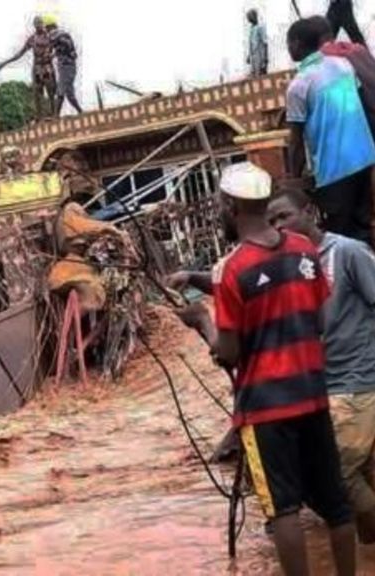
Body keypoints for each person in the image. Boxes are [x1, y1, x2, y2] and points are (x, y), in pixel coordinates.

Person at [177, 163, 356, 576]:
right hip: (313, 396)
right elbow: (321, 320)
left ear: (230, 206)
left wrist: (201, 321)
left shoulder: (232, 269)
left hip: (265, 408)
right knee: (336, 504)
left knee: (283, 509)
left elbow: (229, 353)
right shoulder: (304, 250)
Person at [268, 187, 375, 544]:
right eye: (271, 221)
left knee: (334, 473)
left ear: (309, 211)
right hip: (318, 386)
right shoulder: (290, 264)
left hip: (357, 379)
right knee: (358, 473)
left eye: (284, 216)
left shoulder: (347, 252)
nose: (279, 226)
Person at [286, 17, 375, 245]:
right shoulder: (344, 65)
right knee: (364, 226)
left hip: (333, 170)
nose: (288, 49)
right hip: (365, 160)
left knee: (340, 236)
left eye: (289, 43)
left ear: (297, 44)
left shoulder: (299, 85)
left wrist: (294, 179)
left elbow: (296, 141)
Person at [0, 15, 57, 120]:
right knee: (37, 93)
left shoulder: (50, 37)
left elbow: (59, 48)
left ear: (43, 24)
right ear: (34, 25)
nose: (38, 25)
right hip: (37, 68)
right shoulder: (32, 39)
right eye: (36, 23)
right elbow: (20, 54)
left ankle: (54, 115)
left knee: (51, 92)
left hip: (47, 67)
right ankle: (40, 117)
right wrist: (5, 63)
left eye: (40, 23)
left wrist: (53, 55)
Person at [46, 16, 83, 115]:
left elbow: (51, 43)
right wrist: (53, 55)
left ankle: (56, 116)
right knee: (70, 94)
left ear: (49, 27)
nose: (46, 31)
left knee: (60, 90)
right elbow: (62, 48)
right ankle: (81, 112)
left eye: (46, 29)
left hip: (67, 66)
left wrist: (48, 54)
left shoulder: (56, 35)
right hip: (68, 66)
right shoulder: (63, 35)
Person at [247, 9, 270, 77]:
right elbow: (251, 44)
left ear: (254, 16)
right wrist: (249, 56)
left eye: (249, 16)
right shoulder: (251, 29)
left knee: (261, 76)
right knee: (253, 75)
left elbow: (265, 43)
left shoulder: (260, 27)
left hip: (260, 56)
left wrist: (265, 58)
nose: (248, 19)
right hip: (253, 57)